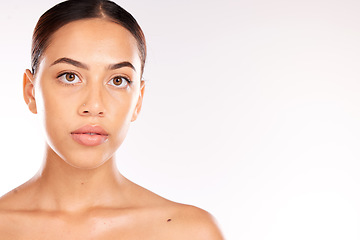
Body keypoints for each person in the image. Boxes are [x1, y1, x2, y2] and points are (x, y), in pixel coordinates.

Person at [0, 0, 224, 239]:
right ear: (30, 91)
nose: (94, 106)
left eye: (118, 80)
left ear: (138, 100)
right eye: (70, 76)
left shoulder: (189, 232)